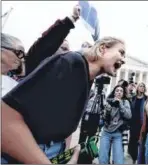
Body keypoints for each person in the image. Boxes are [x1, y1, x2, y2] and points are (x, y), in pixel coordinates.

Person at [1, 36, 126, 164]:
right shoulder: (71, 63)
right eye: (121, 52)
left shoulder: (85, 77)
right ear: (102, 49)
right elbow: (5, 118)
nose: (124, 60)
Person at [99, 85, 132, 164]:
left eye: (121, 91)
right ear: (114, 92)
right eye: (117, 90)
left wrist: (120, 104)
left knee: (118, 160)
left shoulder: (125, 102)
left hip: (118, 133)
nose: (119, 92)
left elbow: (129, 116)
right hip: (106, 132)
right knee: (103, 158)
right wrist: (107, 111)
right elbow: (103, 117)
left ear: (123, 93)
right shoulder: (109, 101)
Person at [128, 82, 147, 164]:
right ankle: (133, 158)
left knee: (141, 140)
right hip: (133, 122)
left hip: (142, 122)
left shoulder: (146, 98)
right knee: (133, 140)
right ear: (138, 88)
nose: (142, 87)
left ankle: (140, 159)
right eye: (140, 86)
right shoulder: (133, 98)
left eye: (143, 86)